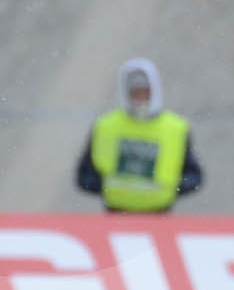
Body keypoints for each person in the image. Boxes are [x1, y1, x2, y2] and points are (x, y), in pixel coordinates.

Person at [75, 58, 203, 213]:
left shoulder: (176, 128)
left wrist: (171, 189)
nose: (140, 98)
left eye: (145, 92)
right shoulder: (106, 126)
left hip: (159, 214)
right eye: (135, 93)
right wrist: (108, 188)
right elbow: (85, 177)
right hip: (117, 213)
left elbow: (194, 177)